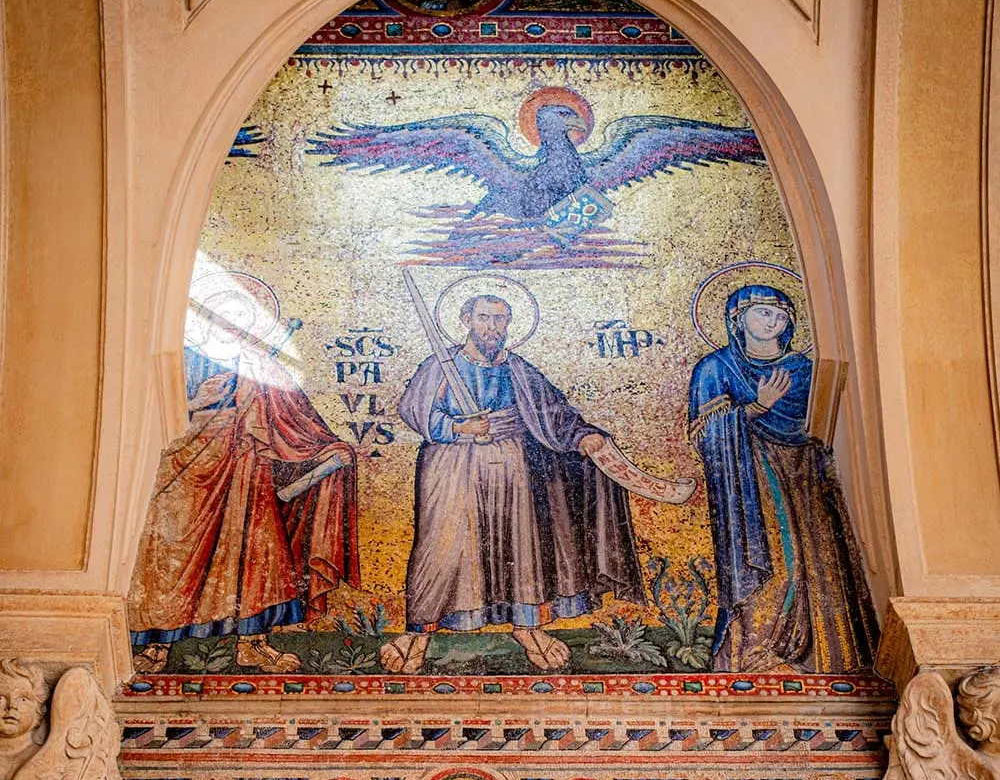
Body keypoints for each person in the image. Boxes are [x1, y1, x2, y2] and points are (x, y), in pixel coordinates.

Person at [380, 293, 643, 673]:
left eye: (500, 319)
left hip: (515, 466)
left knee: (522, 548)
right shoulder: (441, 365)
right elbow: (412, 409)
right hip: (452, 467)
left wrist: (581, 435)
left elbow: (554, 411)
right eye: (484, 318)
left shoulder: (518, 368)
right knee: (442, 549)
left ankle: (528, 627)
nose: (493, 327)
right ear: (466, 319)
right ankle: (418, 633)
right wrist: (458, 427)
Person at [127, 323, 360, 675]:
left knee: (255, 553)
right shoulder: (178, 356)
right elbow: (140, 406)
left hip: (246, 471)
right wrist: (195, 402)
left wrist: (327, 448)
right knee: (173, 552)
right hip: (184, 463)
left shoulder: (261, 366)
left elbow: (294, 419)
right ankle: (157, 644)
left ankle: (252, 644)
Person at [688, 283, 878, 672]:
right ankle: (757, 650)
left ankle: (819, 652)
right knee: (776, 559)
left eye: (780, 316)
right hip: (750, 480)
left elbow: (828, 428)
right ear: (738, 319)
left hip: (804, 475)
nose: (772, 322)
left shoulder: (803, 371)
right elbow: (706, 437)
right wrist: (757, 407)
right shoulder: (716, 368)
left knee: (813, 558)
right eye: (763, 312)